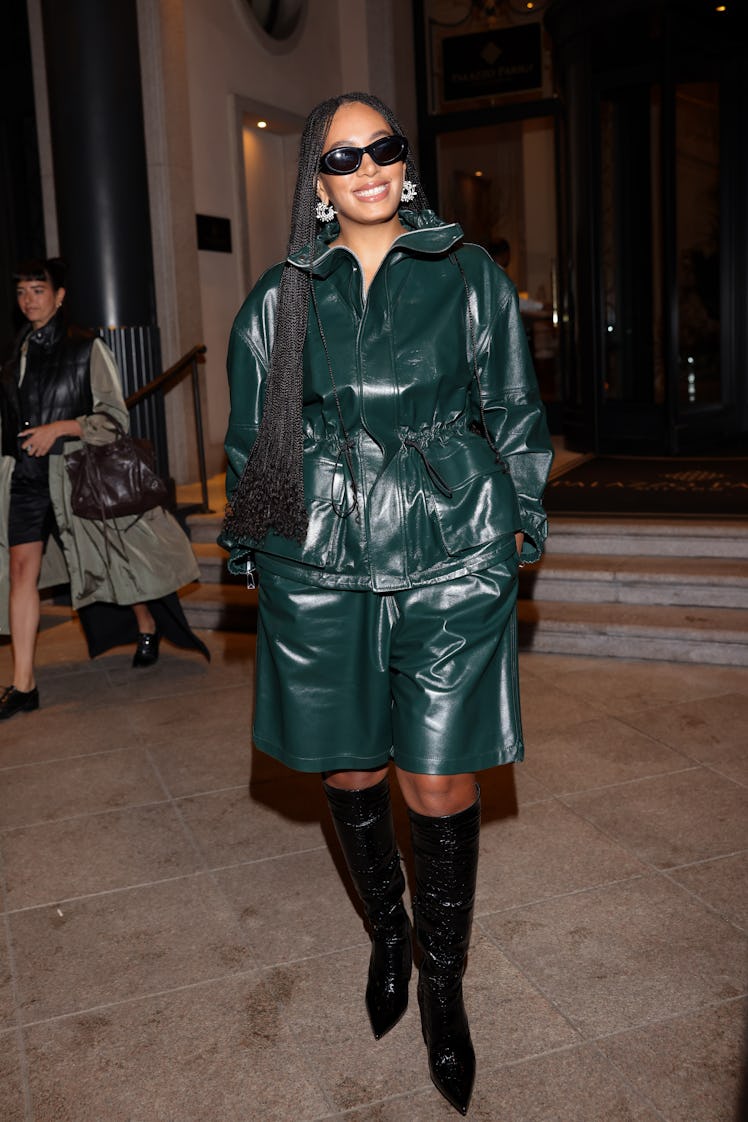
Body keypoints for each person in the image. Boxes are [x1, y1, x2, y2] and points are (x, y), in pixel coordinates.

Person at [221, 93, 553, 1115]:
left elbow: (515, 408)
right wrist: (267, 557)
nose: (365, 165)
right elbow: (249, 447)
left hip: (452, 546)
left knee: (440, 784)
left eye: (383, 147)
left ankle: (443, 988)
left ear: (406, 164)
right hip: (319, 557)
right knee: (352, 768)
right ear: (316, 184)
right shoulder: (281, 299)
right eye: (340, 154)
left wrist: (515, 524)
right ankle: (386, 933)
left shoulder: (466, 273)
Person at [0, 257, 208, 721]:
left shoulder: (85, 347)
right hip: (27, 478)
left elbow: (115, 418)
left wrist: (61, 428)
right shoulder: (17, 354)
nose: (29, 300)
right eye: (22, 293)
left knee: (110, 560)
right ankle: (24, 683)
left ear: (59, 296)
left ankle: (146, 620)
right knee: (20, 571)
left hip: (75, 474)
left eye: (38, 290)